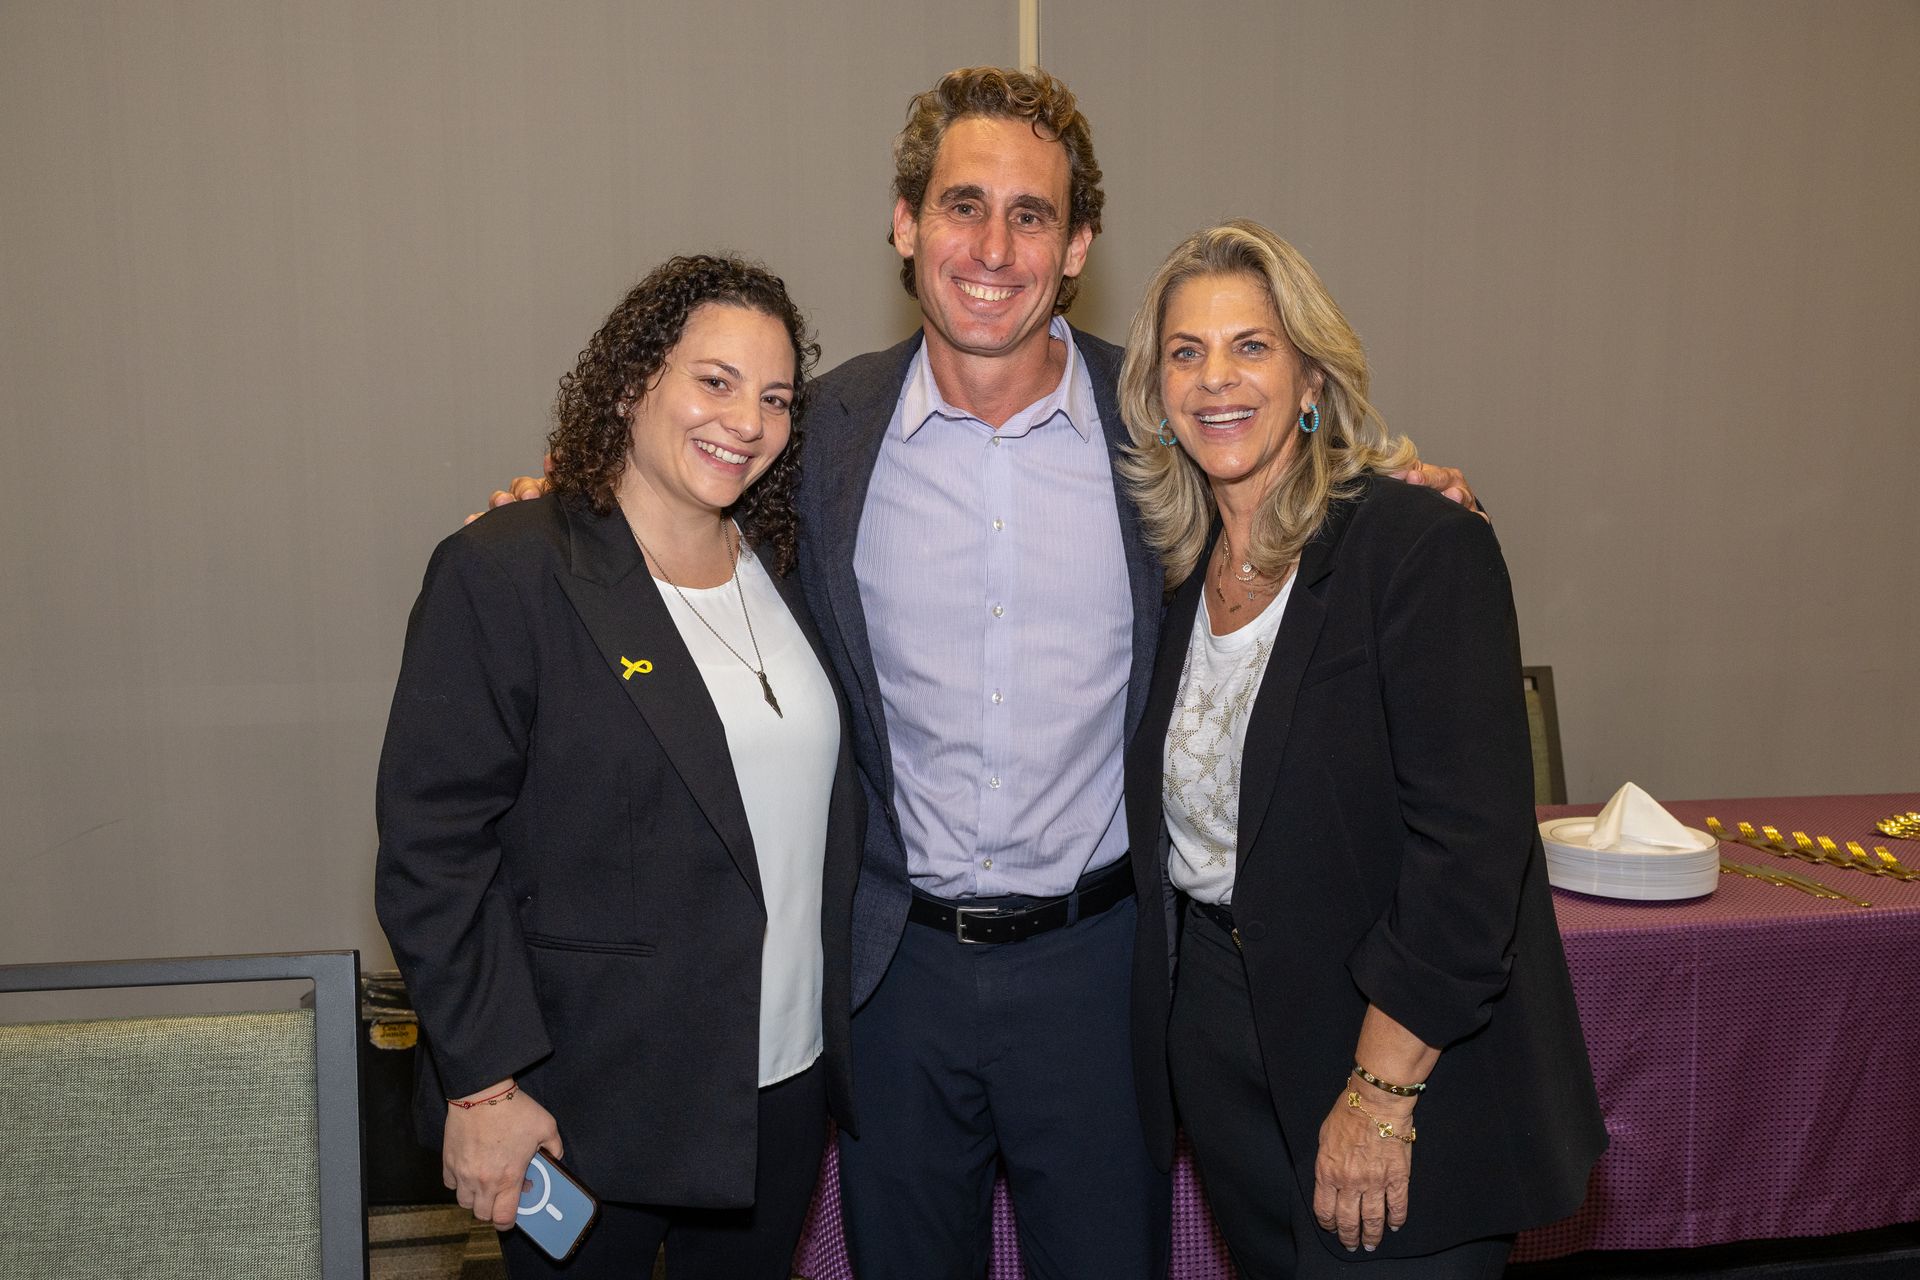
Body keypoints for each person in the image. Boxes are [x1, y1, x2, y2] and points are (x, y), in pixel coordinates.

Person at [478, 67, 1483, 1280]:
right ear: (907, 223)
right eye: (963, 206)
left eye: (1031, 215)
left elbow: (1288, 494)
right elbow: (676, 507)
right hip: (894, 972)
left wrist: (1396, 493)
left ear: (1078, 246)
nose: (994, 248)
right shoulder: (813, 436)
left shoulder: (1163, 422)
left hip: (1102, 974)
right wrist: (564, 515)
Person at [1117, 221, 1606, 1279]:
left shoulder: (1418, 545)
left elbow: (1471, 856)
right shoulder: (1172, 575)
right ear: (1158, 394)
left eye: (1251, 346)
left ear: (1310, 378)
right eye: (1186, 353)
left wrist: (1380, 1092)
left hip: (1403, 1061)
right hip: (1226, 1051)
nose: (1216, 379)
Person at [376, 254, 864, 1280]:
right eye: (715, 380)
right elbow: (433, 850)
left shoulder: (787, 570)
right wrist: (483, 1086)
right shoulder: (509, 568)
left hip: (777, 1091)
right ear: (633, 381)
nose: (747, 421)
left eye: (776, 398)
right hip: (582, 1109)